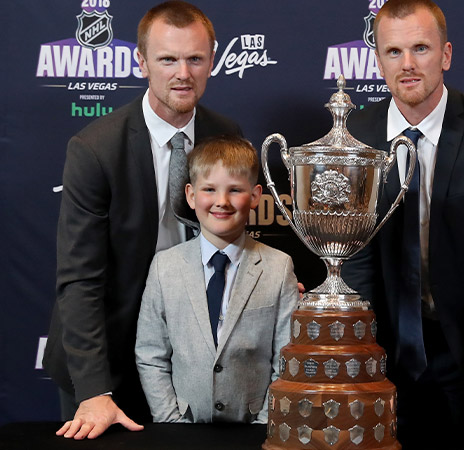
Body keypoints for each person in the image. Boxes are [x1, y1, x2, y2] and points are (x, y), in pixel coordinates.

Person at [341, 0, 464, 446]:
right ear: (377, 59)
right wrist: (361, 360)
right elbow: (353, 258)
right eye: (393, 52)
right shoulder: (353, 133)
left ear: (446, 55)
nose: (408, 65)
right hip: (384, 347)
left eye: (421, 48)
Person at [43, 1, 242, 440]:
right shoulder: (95, 148)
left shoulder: (226, 135)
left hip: (192, 353)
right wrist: (94, 390)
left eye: (195, 58)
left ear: (212, 59)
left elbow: (235, 242)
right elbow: (79, 279)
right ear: (141, 62)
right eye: (167, 59)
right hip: (106, 357)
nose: (183, 73)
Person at [134, 136, 298, 423]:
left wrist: (262, 425)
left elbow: (287, 360)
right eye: (209, 189)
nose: (222, 202)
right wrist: (172, 422)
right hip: (183, 429)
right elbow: (151, 354)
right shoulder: (164, 267)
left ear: (256, 196)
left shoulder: (278, 268)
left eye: (235, 190)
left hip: (254, 431)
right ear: (191, 195)